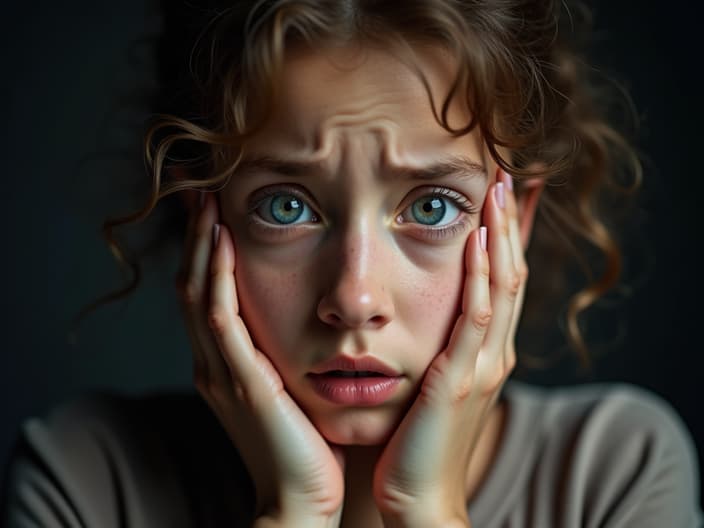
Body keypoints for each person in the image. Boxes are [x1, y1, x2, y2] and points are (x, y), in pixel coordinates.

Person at [2, 0, 702, 526]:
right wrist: (291, 513)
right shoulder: (87, 479)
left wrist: (426, 510)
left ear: (514, 220)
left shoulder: (616, 473)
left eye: (431, 207)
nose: (355, 297)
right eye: (285, 207)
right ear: (202, 217)